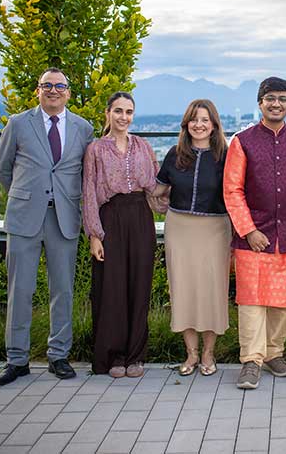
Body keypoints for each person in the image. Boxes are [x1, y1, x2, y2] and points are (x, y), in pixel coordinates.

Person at [0, 67, 93, 386]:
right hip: (25, 217)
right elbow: (2, 169)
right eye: (46, 85)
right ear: (38, 91)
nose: (53, 90)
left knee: (62, 289)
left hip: (64, 217)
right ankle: (17, 360)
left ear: (68, 92)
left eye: (59, 85)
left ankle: (58, 355)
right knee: (20, 290)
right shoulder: (18, 124)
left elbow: (83, 174)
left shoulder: (83, 128)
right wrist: (27, 196)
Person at [224, 77, 286, 389]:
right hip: (254, 237)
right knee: (251, 300)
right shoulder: (242, 141)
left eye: (283, 99)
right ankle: (251, 360)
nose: (276, 104)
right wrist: (248, 230)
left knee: (283, 301)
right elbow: (232, 190)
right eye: (270, 98)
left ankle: (275, 353)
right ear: (260, 102)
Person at [82, 92, 160, 378]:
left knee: (139, 285)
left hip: (140, 216)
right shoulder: (95, 149)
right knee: (112, 288)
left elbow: (156, 186)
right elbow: (89, 192)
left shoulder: (143, 146)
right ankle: (113, 356)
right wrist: (94, 234)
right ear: (108, 113)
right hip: (110, 217)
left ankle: (135, 356)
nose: (123, 117)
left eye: (128, 112)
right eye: (118, 111)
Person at [156, 99, 231, 377]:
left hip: (215, 228)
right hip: (180, 228)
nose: (199, 125)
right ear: (186, 124)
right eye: (194, 119)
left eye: (205, 120)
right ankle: (191, 353)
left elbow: (237, 192)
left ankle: (209, 354)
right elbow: (157, 191)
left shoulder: (226, 154)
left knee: (212, 290)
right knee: (183, 289)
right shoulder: (174, 154)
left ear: (213, 125)